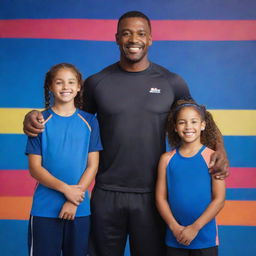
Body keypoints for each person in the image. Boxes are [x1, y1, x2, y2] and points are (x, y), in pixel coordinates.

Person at [23, 11, 228, 256]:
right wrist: (32, 115)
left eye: (141, 33)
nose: (134, 39)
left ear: (150, 39)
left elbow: (199, 119)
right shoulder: (97, 82)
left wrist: (221, 149)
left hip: (152, 196)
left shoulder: (171, 82)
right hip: (106, 194)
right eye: (127, 33)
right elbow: (69, 116)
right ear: (117, 38)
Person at [25, 63, 102, 256]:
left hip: (80, 208)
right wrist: (67, 190)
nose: (65, 87)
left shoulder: (90, 122)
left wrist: (74, 201)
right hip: (45, 209)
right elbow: (35, 169)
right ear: (50, 86)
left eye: (70, 82)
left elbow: (92, 165)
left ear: (78, 87)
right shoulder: (39, 121)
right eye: (59, 82)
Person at [156, 99, 226, 256]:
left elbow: (219, 199)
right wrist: (174, 227)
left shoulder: (212, 158)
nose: (188, 127)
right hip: (175, 237)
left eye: (194, 121)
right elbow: (160, 198)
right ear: (175, 127)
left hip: (205, 239)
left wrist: (194, 228)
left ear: (203, 125)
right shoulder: (166, 159)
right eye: (182, 122)